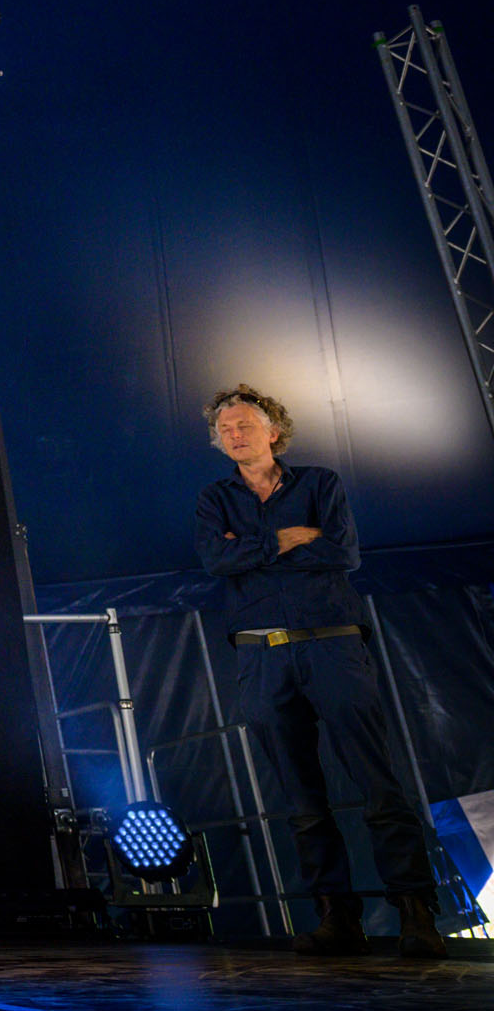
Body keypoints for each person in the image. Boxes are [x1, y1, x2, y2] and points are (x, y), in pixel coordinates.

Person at [195, 384, 445, 958]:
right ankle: (337, 918)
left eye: (244, 425)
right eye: (225, 429)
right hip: (260, 653)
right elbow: (215, 560)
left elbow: (342, 553)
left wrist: (253, 547)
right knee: (299, 794)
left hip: (332, 645)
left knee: (377, 782)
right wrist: (285, 537)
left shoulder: (320, 484)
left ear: (274, 431)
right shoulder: (214, 499)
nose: (234, 434)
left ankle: (415, 912)